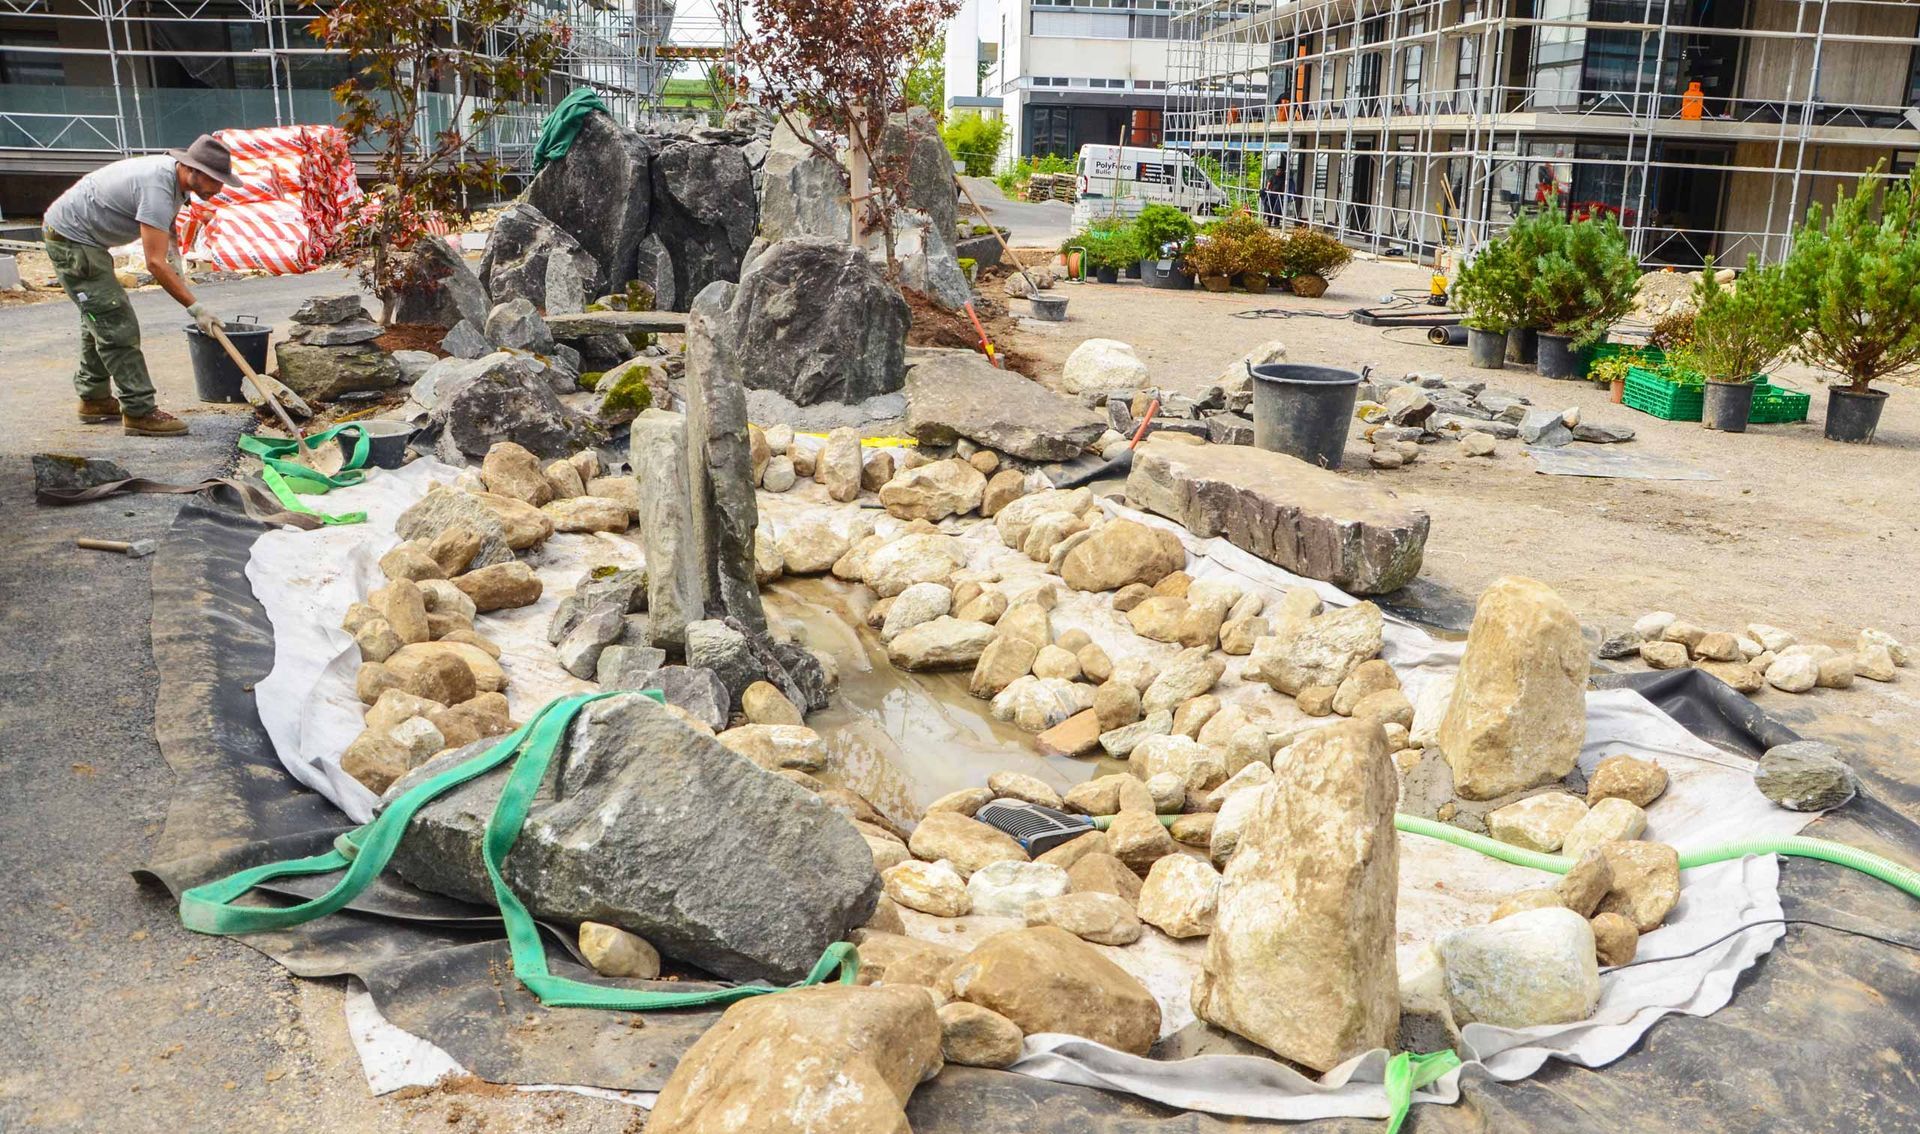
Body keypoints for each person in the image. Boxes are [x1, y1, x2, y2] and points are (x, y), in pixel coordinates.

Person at [41, 134, 242, 437]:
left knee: (98, 316)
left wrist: (175, 257)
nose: (220, 188)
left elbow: (165, 229)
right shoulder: (157, 186)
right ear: (193, 171)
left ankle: (93, 399)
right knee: (115, 322)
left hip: (87, 240)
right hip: (74, 241)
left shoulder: (173, 179)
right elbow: (154, 263)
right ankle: (139, 411)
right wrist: (195, 307)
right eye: (216, 181)